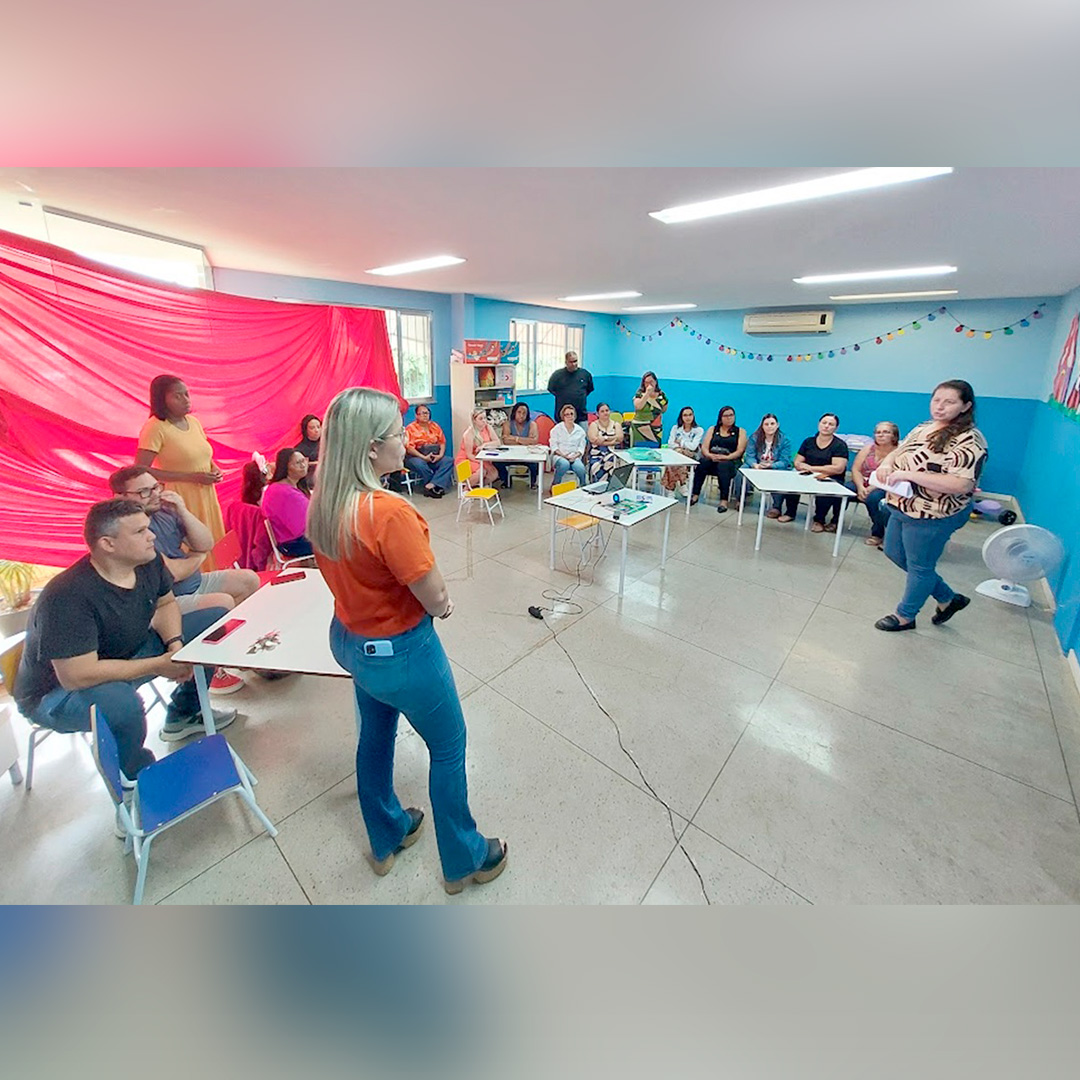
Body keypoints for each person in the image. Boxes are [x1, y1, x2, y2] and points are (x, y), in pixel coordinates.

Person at [307, 387, 507, 894]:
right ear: (373, 447)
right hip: (400, 652)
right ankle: (465, 858)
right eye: (399, 434)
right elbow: (433, 593)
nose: (406, 441)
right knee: (449, 746)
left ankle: (387, 835)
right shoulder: (388, 513)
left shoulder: (324, 503)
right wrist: (444, 607)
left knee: (375, 737)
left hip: (351, 642)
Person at [14, 499, 237, 784]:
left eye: (148, 528)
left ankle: (184, 713)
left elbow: (166, 604)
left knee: (211, 621)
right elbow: (76, 675)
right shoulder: (66, 597)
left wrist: (175, 647)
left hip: (126, 655)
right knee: (121, 702)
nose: (152, 536)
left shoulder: (148, 561)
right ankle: (134, 777)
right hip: (58, 693)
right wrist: (158, 664)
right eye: (140, 531)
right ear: (108, 544)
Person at [872, 380, 986, 632]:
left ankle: (905, 616)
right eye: (936, 400)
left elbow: (961, 484)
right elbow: (900, 450)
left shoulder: (969, 440)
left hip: (932, 513)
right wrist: (888, 463)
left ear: (966, 406)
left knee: (920, 567)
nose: (940, 407)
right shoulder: (924, 427)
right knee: (894, 552)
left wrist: (908, 475)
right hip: (901, 505)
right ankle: (947, 598)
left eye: (949, 402)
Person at [109, 466, 259, 615]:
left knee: (249, 580)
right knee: (223, 602)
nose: (155, 494)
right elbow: (173, 573)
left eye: (156, 487)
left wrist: (182, 510)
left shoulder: (164, 511)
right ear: (120, 497)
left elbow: (206, 543)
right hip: (165, 602)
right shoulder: (126, 531)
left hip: (194, 582)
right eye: (144, 492)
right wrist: (198, 556)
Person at [136, 375, 225, 542]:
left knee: (211, 540)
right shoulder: (155, 427)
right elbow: (140, 470)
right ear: (162, 400)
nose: (185, 400)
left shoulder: (194, 422)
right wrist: (191, 477)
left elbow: (202, 454)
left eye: (186, 394)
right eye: (177, 396)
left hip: (206, 494)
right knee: (192, 542)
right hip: (179, 497)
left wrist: (214, 468)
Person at [794, 413, 850, 532]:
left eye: (831, 424)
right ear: (819, 424)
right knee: (792, 482)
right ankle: (790, 512)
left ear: (836, 428)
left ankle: (819, 520)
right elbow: (798, 461)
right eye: (824, 423)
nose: (826, 426)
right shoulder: (808, 441)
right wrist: (801, 466)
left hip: (831, 477)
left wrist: (812, 468)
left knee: (825, 490)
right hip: (808, 474)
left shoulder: (840, 445)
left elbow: (838, 468)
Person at [850, 422, 900, 547]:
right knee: (842, 489)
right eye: (878, 432)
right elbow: (856, 469)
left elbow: (894, 475)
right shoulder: (868, 449)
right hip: (863, 482)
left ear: (894, 436)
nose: (881, 435)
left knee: (873, 498)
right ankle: (834, 521)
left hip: (886, 485)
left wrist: (871, 488)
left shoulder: (899, 452)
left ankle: (878, 533)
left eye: (886, 432)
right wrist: (861, 487)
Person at [691, 405, 746, 511]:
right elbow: (704, 447)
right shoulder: (713, 429)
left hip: (731, 461)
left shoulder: (740, 431)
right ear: (720, 418)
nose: (729, 418)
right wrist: (710, 455)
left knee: (723, 465)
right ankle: (695, 494)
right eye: (726, 416)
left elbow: (740, 451)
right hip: (713, 459)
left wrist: (727, 457)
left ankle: (724, 501)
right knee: (702, 462)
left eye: (731, 415)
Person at [262, 448, 314, 558]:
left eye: (304, 460)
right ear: (286, 468)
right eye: (298, 463)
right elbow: (305, 526)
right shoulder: (285, 493)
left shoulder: (279, 487)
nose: (303, 465)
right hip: (293, 544)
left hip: (290, 540)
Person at [744, 414, 797, 521]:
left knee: (780, 474)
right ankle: (740, 499)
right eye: (766, 424)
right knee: (742, 471)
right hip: (758, 464)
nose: (769, 427)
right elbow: (749, 456)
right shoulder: (754, 438)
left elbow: (785, 461)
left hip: (775, 466)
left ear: (777, 425)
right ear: (762, 426)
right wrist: (755, 465)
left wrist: (771, 465)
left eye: (772, 424)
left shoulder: (785, 440)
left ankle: (776, 507)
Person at [404, 404, 456, 498]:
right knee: (420, 464)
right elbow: (409, 448)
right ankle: (436, 486)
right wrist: (423, 457)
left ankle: (431, 485)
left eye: (427, 413)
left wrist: (440, 455)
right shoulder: (410, 428)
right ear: (416, 415)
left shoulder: (434, 426)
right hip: (416, 456)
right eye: (422, 413)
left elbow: (442, 442)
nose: (425, 415)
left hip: (434, 455)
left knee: (449, 461)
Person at [661, 407, 704, 498]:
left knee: (674, 459)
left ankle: (671, 489)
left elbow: (693, 447)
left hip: (691, 456)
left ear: (693, 416)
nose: (688, 417)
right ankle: (682, 483)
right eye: (685, 415)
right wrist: (679, 448)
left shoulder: (698, 430)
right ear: (681, 417)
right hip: (677, 453)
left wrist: (680, 442)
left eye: (690, 415)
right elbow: (670, 443)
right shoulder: (675, 428)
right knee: (676, 458)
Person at [455, 408, 501, 487]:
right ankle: (467, 488)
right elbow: (469, 455)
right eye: (481, 419)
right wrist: (482, 462)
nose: (484, 421)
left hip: (481, 457)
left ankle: (479, 486)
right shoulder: (469, 433)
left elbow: (497, 442)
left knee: (494, 474)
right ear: (474, 420)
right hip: (467, 459)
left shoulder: (488, 427)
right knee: (481, 471)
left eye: (485, 418)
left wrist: (485, 445)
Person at [500, 402, 541, 490]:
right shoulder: (507, 424)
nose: (521, 415)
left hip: (527, 455)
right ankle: (506, 480)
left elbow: (534, 441)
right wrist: (525, 441)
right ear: (514, 412)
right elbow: (506, 441)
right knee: (497, 462)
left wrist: (515, 438)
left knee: (535, 464)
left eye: (524, 413)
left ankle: (533, 482)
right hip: (510, 455)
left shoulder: (532, 424)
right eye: (519, 412)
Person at [546, 350, 594, 425]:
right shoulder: (557, 375)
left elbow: (589, 389)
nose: (574, 364)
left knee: (583, 432)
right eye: (571, 362)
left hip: (581, 416)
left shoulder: (585, 374)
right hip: (562, 417)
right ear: (566, 362)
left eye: (575, 361)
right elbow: (551, 389)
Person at [549, 403, 588, 486]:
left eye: (571, 414)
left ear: (575, 416)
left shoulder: (580, 431)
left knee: (580, 468)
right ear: (563, 417)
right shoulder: (556, 429)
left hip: (574, 457)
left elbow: (581, 448)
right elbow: (553, 446)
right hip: (559, 456)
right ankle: (555, 484)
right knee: (564, 464)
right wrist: (563, 455)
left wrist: (574, 456)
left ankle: (583, 485)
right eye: (567, 414)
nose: (570, 416)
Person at [586, 402, 623, 484]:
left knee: (612, 461)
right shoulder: (594, 425)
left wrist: (604, 438)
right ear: (597, 414)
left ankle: (612, 486)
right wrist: (612, 441)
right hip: (597, 453)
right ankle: (598, 485)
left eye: (607, 410)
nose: (605, 413)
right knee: (597, 465)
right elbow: (594, 440)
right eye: (602, 411)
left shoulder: (616, 424)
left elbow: (620, 438)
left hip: (613, 452)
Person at [629, 371, 668, 447]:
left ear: (655, 382)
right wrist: (647, 394)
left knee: (655, 449)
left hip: (656, 428)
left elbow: (664, 409)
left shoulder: (661, 395)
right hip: (640, 427)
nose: (649, 384)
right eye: (646, 382)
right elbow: (638, 406)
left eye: (651, 382)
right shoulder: (639, 394)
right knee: (640, 450)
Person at [296, 414, 322, 492]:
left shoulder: (328, 443)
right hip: (310, 485)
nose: (316, 430)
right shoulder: (300, 449)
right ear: (306, 430)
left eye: (318, 427)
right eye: (312, 428)